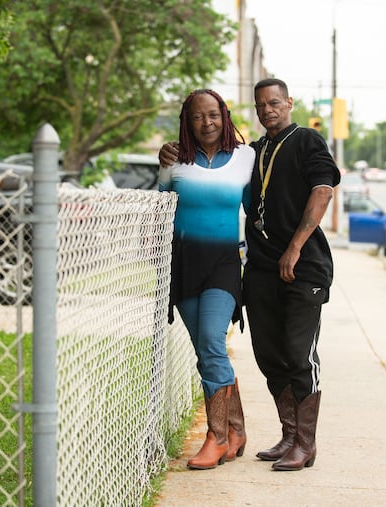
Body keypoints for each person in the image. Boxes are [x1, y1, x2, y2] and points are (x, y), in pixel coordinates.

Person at [160, 78, 340, 472]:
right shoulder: (254, 152)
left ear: (289, 103)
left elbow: (323, 190)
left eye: (275, 103)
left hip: (300, 265)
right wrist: (166, 156)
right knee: (269, 355)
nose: (268, 110)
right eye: (261, 106)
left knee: (296, 353)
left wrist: (295, 247)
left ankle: (300, 444)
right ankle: (286, 436)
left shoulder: (306, 141)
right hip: (258, 268)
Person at [158, 89, 255, 470]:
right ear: (188, 119)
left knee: (213, 342)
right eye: (198, 116)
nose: (207, 123)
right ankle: (236, 429)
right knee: (207, 353)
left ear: (224, 115)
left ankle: (215, 439)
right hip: (184, 268)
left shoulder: (245, 158)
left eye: (213, 115)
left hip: (224, 267)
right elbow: (161, 209)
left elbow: (258, 208)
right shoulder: (174, 160)